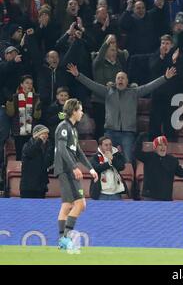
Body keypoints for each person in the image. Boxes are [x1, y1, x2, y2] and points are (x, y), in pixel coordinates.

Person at [66, 63, 176, 162]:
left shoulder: (134, 92)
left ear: (127, 81)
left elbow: (150, 86)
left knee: (128, 160)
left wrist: (165, 78)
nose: (120, 80)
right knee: (105, 160)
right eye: (118, 78)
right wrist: (78, 75)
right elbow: (92, 85)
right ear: (115, 81)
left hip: (128, 134)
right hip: (110, 132)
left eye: (123, 78)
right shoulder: (108, 92)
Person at [54, 99, 98, 251]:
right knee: (80, 204)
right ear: (73, 111)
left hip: (68, 169)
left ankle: (61, 241)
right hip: (66, 170)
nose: (82, 112)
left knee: (67, 205)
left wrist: (90, 169)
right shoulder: (63, 127)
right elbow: (61, 148)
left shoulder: (73, 129)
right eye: (80, 110)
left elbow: (78, 151)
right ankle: (65, 239)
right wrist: (74, 167)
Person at [135, 134, 183, 201]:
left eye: (164, 145)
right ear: (155, 148)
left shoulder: (172, 160)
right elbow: (136, 153)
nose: (163, 147)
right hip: (150, 197)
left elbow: (181, 173)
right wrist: (140, 139)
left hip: (166, 198)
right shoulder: (149, 157)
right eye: (160, 145)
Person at [5, 75, 42, 161]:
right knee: (20, 156)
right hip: (18, 131)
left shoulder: (36, 97)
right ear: (21, 84)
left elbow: (37, 116)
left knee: (30, 156)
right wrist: (10, 103)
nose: (29, 85)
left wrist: (38, 109)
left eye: (31, 83)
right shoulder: (14, 97)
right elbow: (10, 114)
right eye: (27, 83)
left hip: (31, 132)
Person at [20, 125, 53, 199]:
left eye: (47, 134)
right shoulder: (27, 145)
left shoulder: (48, 146)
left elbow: (49, 163)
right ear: (36, 135)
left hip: (41, 186)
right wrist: (39, 141)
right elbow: (30, 153)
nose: (46, 136)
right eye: (43, 134)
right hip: (28, 187)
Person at [90, 136, 128, 201]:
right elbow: (96, 168)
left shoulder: (117, 155)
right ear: (100, 146)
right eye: (106, 145)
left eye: (110, 144)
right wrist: (109, 163)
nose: (109, 147)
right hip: (101, 193)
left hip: (116, 193)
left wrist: (112, 159)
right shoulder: (95, 156)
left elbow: (121, 167)